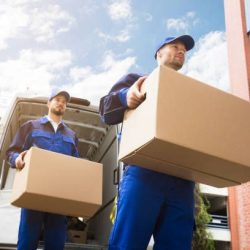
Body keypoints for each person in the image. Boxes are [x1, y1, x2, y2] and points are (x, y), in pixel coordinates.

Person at [99, 35, 196, 250]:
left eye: (184, 50)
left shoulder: (191, 92)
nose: (181, 51)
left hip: (182, 180)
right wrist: (127, 96)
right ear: (158, 54)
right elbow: (105, 111)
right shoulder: (138, 80)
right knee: (128, 243)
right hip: (144, 172)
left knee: (177, 245)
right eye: (175, 47)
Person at [6, 90, 79, 250]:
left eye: (64, 102)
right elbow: (12, 152)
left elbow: (76, 166)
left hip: (59, 196)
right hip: (33, 193)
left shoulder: (72, 135)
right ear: (48, 103)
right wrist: (17, 159)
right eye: (57, 99)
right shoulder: (31, 126)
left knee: (56, 244)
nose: (61, 103)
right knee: (27, 242)